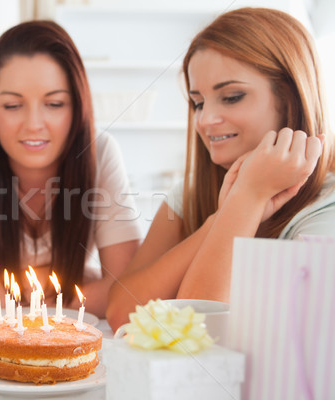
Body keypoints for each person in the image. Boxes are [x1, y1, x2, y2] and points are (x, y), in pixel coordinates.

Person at [106, 7, 335, 331]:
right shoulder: (189, 195)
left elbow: (204, 337)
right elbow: (121, 315)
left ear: (290, 98)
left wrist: (247, 198)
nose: (205, 119)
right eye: (198, 102)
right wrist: (225, 214)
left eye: (231, 97)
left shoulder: (326, 210)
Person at [0, 20, 143, 319]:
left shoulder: (101, 151)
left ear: (77, 106)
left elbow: (127, 292)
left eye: (54, 104)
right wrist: (72, 282)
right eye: (13, 106)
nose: (34, 125)